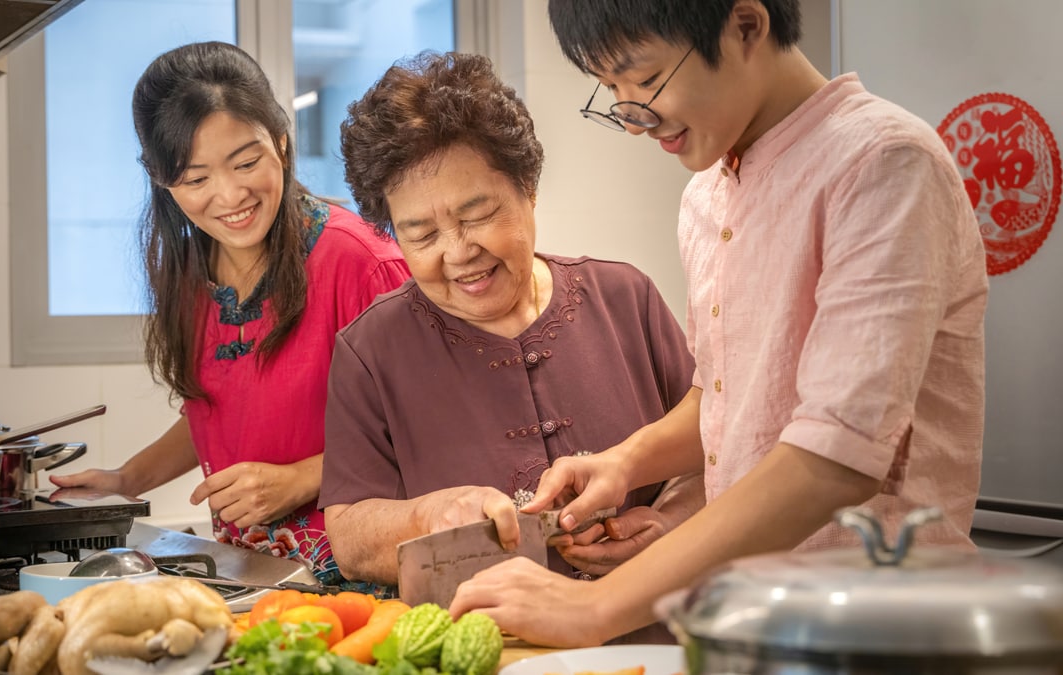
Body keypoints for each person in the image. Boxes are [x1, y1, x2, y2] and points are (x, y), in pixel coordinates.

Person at [449, 0, 988, 646]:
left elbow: (837, 456)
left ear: (746, 25)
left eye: (645, 81)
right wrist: (627, 459)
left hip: (880, 629)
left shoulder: (884, 164)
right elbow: (728, 396)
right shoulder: (706, 194)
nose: (632, 118)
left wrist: (591, 607)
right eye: (612, 89)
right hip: (749, 624)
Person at [318, 51, 700, 595]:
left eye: (477, 215)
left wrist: (670, 523)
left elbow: (713, 449)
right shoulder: (370, 351)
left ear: (529, 188)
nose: (458, 252)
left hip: (652, 628)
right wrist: (428, 515)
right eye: (421, 235)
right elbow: (351, 538)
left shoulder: (624, 298)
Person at [50, 41, 410, 588]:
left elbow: (425, 428)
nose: (229, 195)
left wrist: (299, 479)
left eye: (246, 162)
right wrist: (126, 479)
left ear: (282, 144)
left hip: (363, 579)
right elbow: (216, 412)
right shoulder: (193, 275)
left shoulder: (359, 260)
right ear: (161, 180)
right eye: (195, 180)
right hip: (254, 577)